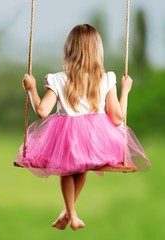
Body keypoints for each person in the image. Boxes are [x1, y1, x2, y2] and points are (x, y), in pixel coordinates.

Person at [14, 24, 151, 231]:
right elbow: (117, 117)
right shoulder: (106, 79)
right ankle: (70, 214)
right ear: (98, 51)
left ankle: (68, 214)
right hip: (96, 138)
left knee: (69, 169)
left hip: (65, 134)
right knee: (81, 165)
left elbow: (42, 111)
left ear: (69, 50)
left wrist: (31, 89)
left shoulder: (59, 79)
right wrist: (126, 91)